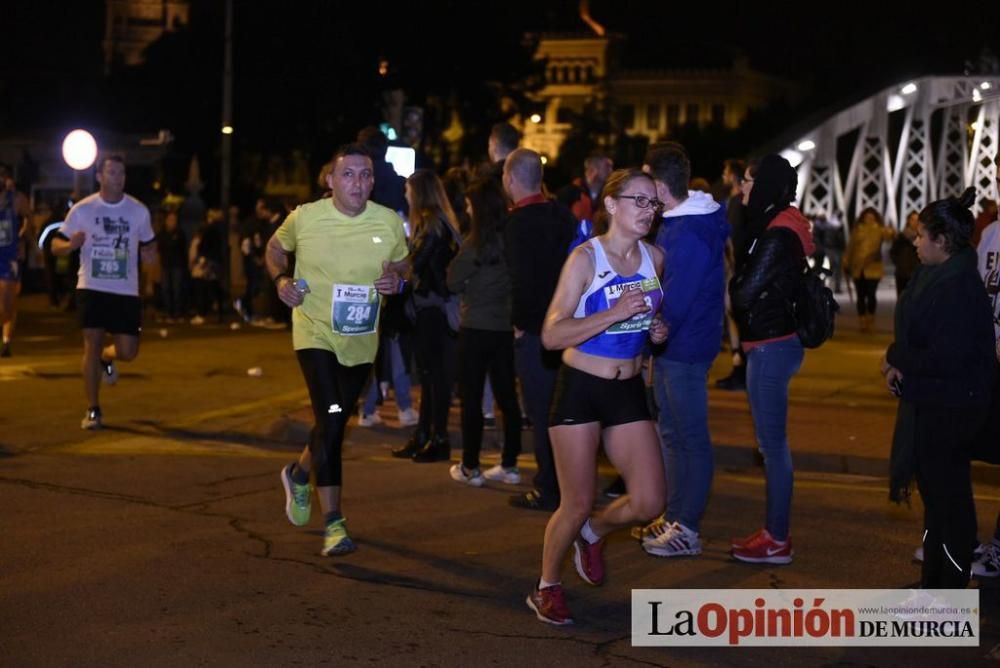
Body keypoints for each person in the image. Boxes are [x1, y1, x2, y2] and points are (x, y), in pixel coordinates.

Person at [526, 168, 667, 625]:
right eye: (639, 201)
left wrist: (653, 330)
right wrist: (614, 312)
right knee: (576, 501)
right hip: (580, 389)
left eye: (653, 203)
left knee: (649, 502)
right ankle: (547, 585)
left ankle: (595, 533)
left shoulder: (656, 258)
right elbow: (551, 334)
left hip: (626, 388)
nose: (649, 211)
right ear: (611, 205)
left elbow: (640, 321)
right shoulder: (585, 259)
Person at [270, 144, 409, 556]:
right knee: (331, 416)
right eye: (348, 174)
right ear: (330, 180)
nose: (358, 183)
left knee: (332, 421)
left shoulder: (387, 221)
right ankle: (334, 521)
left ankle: (298, 474)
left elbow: (404, 265)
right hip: (315, 334)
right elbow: (275, 249)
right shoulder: (305, 217)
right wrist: (280, 280)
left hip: (361, 342)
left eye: (365, 175)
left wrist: (397, 282)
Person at [883, 187, 995, 588]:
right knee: (936, 495)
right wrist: (901, 362)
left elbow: (946, 358)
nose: (914, 242)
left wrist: (897, 355)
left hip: (953, 407)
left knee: (949, 499)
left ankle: (949, 585)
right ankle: (935, 581)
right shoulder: (937, 277)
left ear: (942, 242)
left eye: (920, 235)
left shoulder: (957, 287)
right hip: (935, 400)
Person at [637, 142, 730, 558]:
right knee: (673, 433)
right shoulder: (681, 220)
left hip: (685, 346)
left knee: (690, 436)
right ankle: (676, 515)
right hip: (676, 344)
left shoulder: (689, 230)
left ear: (659, 185)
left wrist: (650, 329)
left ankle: (687, 528)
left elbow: (676, 297)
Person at [728, 154, 815, 564]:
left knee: (773, 447)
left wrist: (736, 280)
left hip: (771, 346)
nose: (742, 189)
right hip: (772, 343)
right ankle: (773, 532)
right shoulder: (778, 225)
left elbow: (743, 294)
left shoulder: (777, 235)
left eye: (747, 182)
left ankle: (777, 538)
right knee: (770, 445)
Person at [52, 155, 157, 429]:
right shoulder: (83, 210)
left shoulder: (138, 211)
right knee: (91, 342)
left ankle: (107, 358)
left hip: (125, 290)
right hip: (92, 286)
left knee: (128, 351)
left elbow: (150, 246)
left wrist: (150, 255)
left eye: (122, 173)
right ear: (99, 176)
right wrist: (69, 246)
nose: (118, 177)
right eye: (112, 172)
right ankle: (93, 409)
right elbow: (55, 245)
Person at [502, 148, 577, 511]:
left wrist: (519, 325)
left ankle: (549, 488)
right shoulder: (563, 216)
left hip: (535, 332)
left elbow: (521, 282)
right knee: (565, 412)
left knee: (541, 411)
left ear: (510, 179)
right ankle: (570, 484)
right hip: (570, 327)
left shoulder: (516, 224)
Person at [446, 177, 522, 487]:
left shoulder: (474, 244)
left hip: (474, 328)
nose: (465, 207)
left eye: (468, 203)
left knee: (472, 398)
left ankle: (471, 466)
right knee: (508, 398)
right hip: (503, 328)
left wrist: (467, 286)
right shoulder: (511, 241)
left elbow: (451, 280)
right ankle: (510, 464)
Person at [389, 169, 461, 463]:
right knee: (431, 375)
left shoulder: (430, 223)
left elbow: (416, 264)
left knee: (434, 376)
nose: (405, 194)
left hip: (432, 307)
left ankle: (437, 437)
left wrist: (394, 268)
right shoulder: (436, 221)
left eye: (408, 189)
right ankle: (425, 435)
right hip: (432, 306)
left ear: (418, 192)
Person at [716, 158, 749, 391]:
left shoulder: (737, 202)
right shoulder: (744, 202)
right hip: (741, 268)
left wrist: (733, 267)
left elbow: (733, 237)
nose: (724, 176)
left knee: (734, 318)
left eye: (726, 172)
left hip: (735, 269)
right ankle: (741, 368)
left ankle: (740, 370)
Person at [844, 206, 894, 333]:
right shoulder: (857, 230)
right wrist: (846, 262)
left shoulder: (880, 230)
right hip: (858, 267)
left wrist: (891, 230)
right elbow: (851, 247)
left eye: (872, 216)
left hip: (873, 267)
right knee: (860, 295)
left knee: (871, 294)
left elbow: (890, 236)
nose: (869, 219)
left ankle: (870, 317)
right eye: (867, 216)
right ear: (863, 218)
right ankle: (862, 320)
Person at [0, 169, 25, 357]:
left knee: (8, 307)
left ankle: (7, 340)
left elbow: (29, 220)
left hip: (9, 258)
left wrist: (22, 237)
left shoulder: (16, 199)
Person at [556, 153, 613, 223]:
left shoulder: (610, 194)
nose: (611, 170)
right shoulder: (569, 193)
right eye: (607, 166)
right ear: (593, 168)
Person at [157, 210, 187, 322]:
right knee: (166, 289)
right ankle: (169, 312)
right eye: (170, 220)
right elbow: (161, 246)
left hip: (177, 265)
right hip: (166, 264)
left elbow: (182, 248)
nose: (172, 222)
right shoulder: (162, 233)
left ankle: (177, 313)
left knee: (177, 288)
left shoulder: (180, 233)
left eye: (174, 220)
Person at [890, 211, 921, 296]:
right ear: (908, 221)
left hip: (918, 273)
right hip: (902, 273)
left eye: (917, 220)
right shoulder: (901, 237)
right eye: (912, 219)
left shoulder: (923, 237)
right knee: (902, 299)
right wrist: (900, 264)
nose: (915, 222)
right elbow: (893, 252)